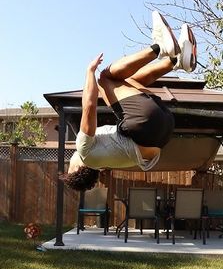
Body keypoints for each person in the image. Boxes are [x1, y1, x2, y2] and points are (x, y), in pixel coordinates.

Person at [62, 11, 197, 191]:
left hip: (163, 128)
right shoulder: (85, 153)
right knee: (105, 78)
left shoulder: (105, 161)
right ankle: (159, 48)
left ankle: (176, 62)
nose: (69, 160)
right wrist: (90, 72)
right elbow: (89, 106)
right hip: (144, 125)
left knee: (125, 83)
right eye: (68, 167)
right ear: (78, 168)